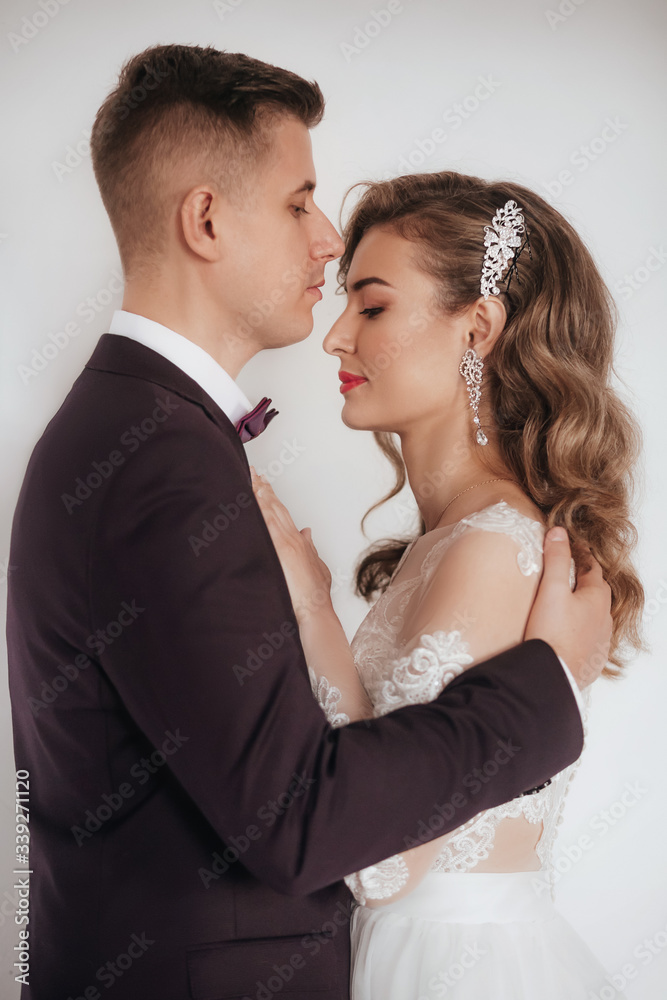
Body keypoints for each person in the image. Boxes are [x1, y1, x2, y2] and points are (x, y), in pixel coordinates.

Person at [6, 45, 614, 999]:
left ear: (478, 330)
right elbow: (300, 816)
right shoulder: (159, 457)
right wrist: (549, 688)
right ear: (205, 218)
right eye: (299, 202)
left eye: (371, 304)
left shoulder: (143, 435)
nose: (323, 242)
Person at [250, 171, 645, 999]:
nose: (335, 338)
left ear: (479, 326)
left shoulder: (491, 548)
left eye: (372, 305)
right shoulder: (453, 540)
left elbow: (383, 858)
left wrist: (311, 605)